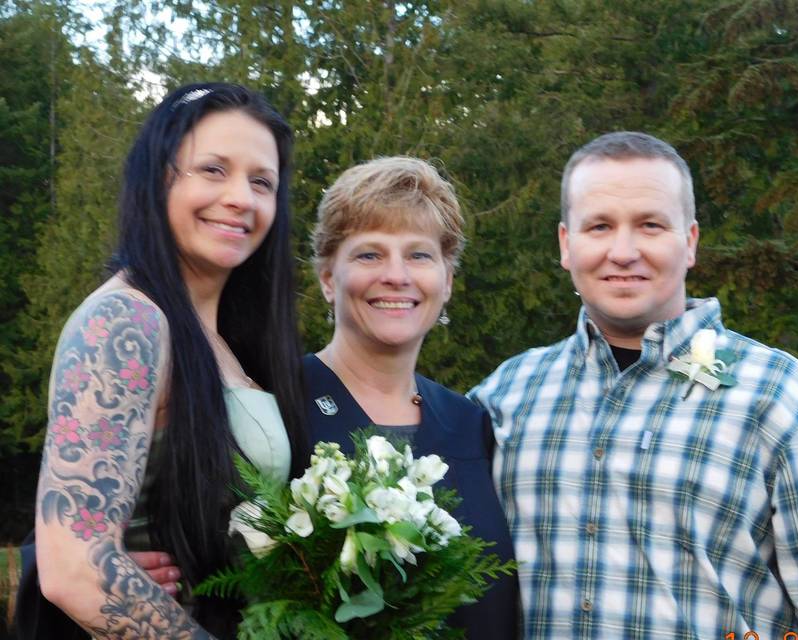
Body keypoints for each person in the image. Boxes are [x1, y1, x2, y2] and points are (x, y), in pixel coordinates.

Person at [468, 131, 798, 639]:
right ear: (567, 244)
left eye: (650, 225)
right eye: (599, 226)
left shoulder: (794, 406)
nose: (623, 251)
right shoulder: (505, 397)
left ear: (690, 242)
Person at [20, 82, 308, 639]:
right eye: (213, 169)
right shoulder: (126, 322)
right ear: (158, 178)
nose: (241, 198)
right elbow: (74, 570)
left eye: (261, 182)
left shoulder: (225, 341)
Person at [302, 156, 519, 638]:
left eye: (419, 255)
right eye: (369, 254)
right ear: (327, 278)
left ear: (447, 281)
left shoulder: (472, 424)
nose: (396, 275)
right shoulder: (279, 409)